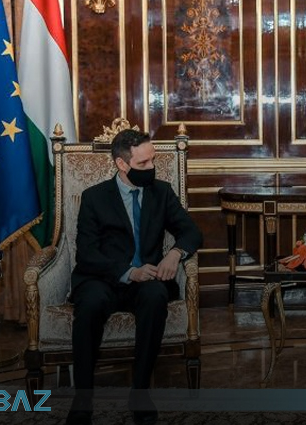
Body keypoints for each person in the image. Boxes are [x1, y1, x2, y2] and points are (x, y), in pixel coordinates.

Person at [67, 129, 203, 425]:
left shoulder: (161, 192)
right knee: (90, 305)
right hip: (103, 278)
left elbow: (192, 232)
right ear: (121, 164)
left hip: (147, 280)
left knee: (156, 297)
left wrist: (175, 253)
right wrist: (129, 271)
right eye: (143, 163)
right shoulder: (94, 198)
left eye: (153, 160)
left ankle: (140, 393)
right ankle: (83, 398)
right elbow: (87, 254)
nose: (151, 167)